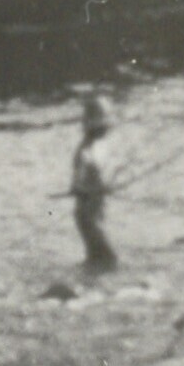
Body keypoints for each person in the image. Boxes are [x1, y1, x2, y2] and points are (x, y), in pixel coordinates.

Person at [70, 94, 118, 269]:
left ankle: (87, 280)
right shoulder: (84, 151)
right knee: (108, 259)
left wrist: (107, 185)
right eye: (103, 127)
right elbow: (77, 181)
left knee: (98, 259)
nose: (106, 130)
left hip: (97, 212)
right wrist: (80, 187)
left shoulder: (99, 146)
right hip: (88, 216)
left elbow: (101, 175)